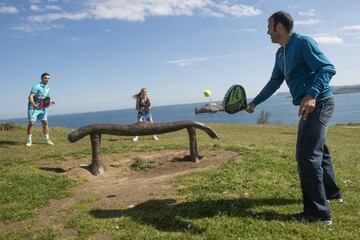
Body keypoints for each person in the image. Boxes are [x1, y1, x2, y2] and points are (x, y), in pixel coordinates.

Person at [246, 11, 342, 225]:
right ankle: (333, 193)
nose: (266, 32)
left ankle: (318, 214)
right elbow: (274, 82)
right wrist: (254, 102)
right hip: (308, 106)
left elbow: (327, 68)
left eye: (268, 26)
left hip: (320, 103)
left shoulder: (303, 42)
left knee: (307, 155)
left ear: (279, 27)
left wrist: (311, 94)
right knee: (319, 151)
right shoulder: (280, 54)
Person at [26, 72, 55, 147]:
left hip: (42, 108)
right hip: (33, 108)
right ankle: (29, 140)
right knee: (32, 123)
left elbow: (46, 97)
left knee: (45, 123)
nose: (47, 80)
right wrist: (33, 105)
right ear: (41, 78)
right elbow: (30, 96)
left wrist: (51, 101)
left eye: (48, 78)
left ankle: (47, 139)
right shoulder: (37, 86)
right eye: (45, 78)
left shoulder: (48, 88)